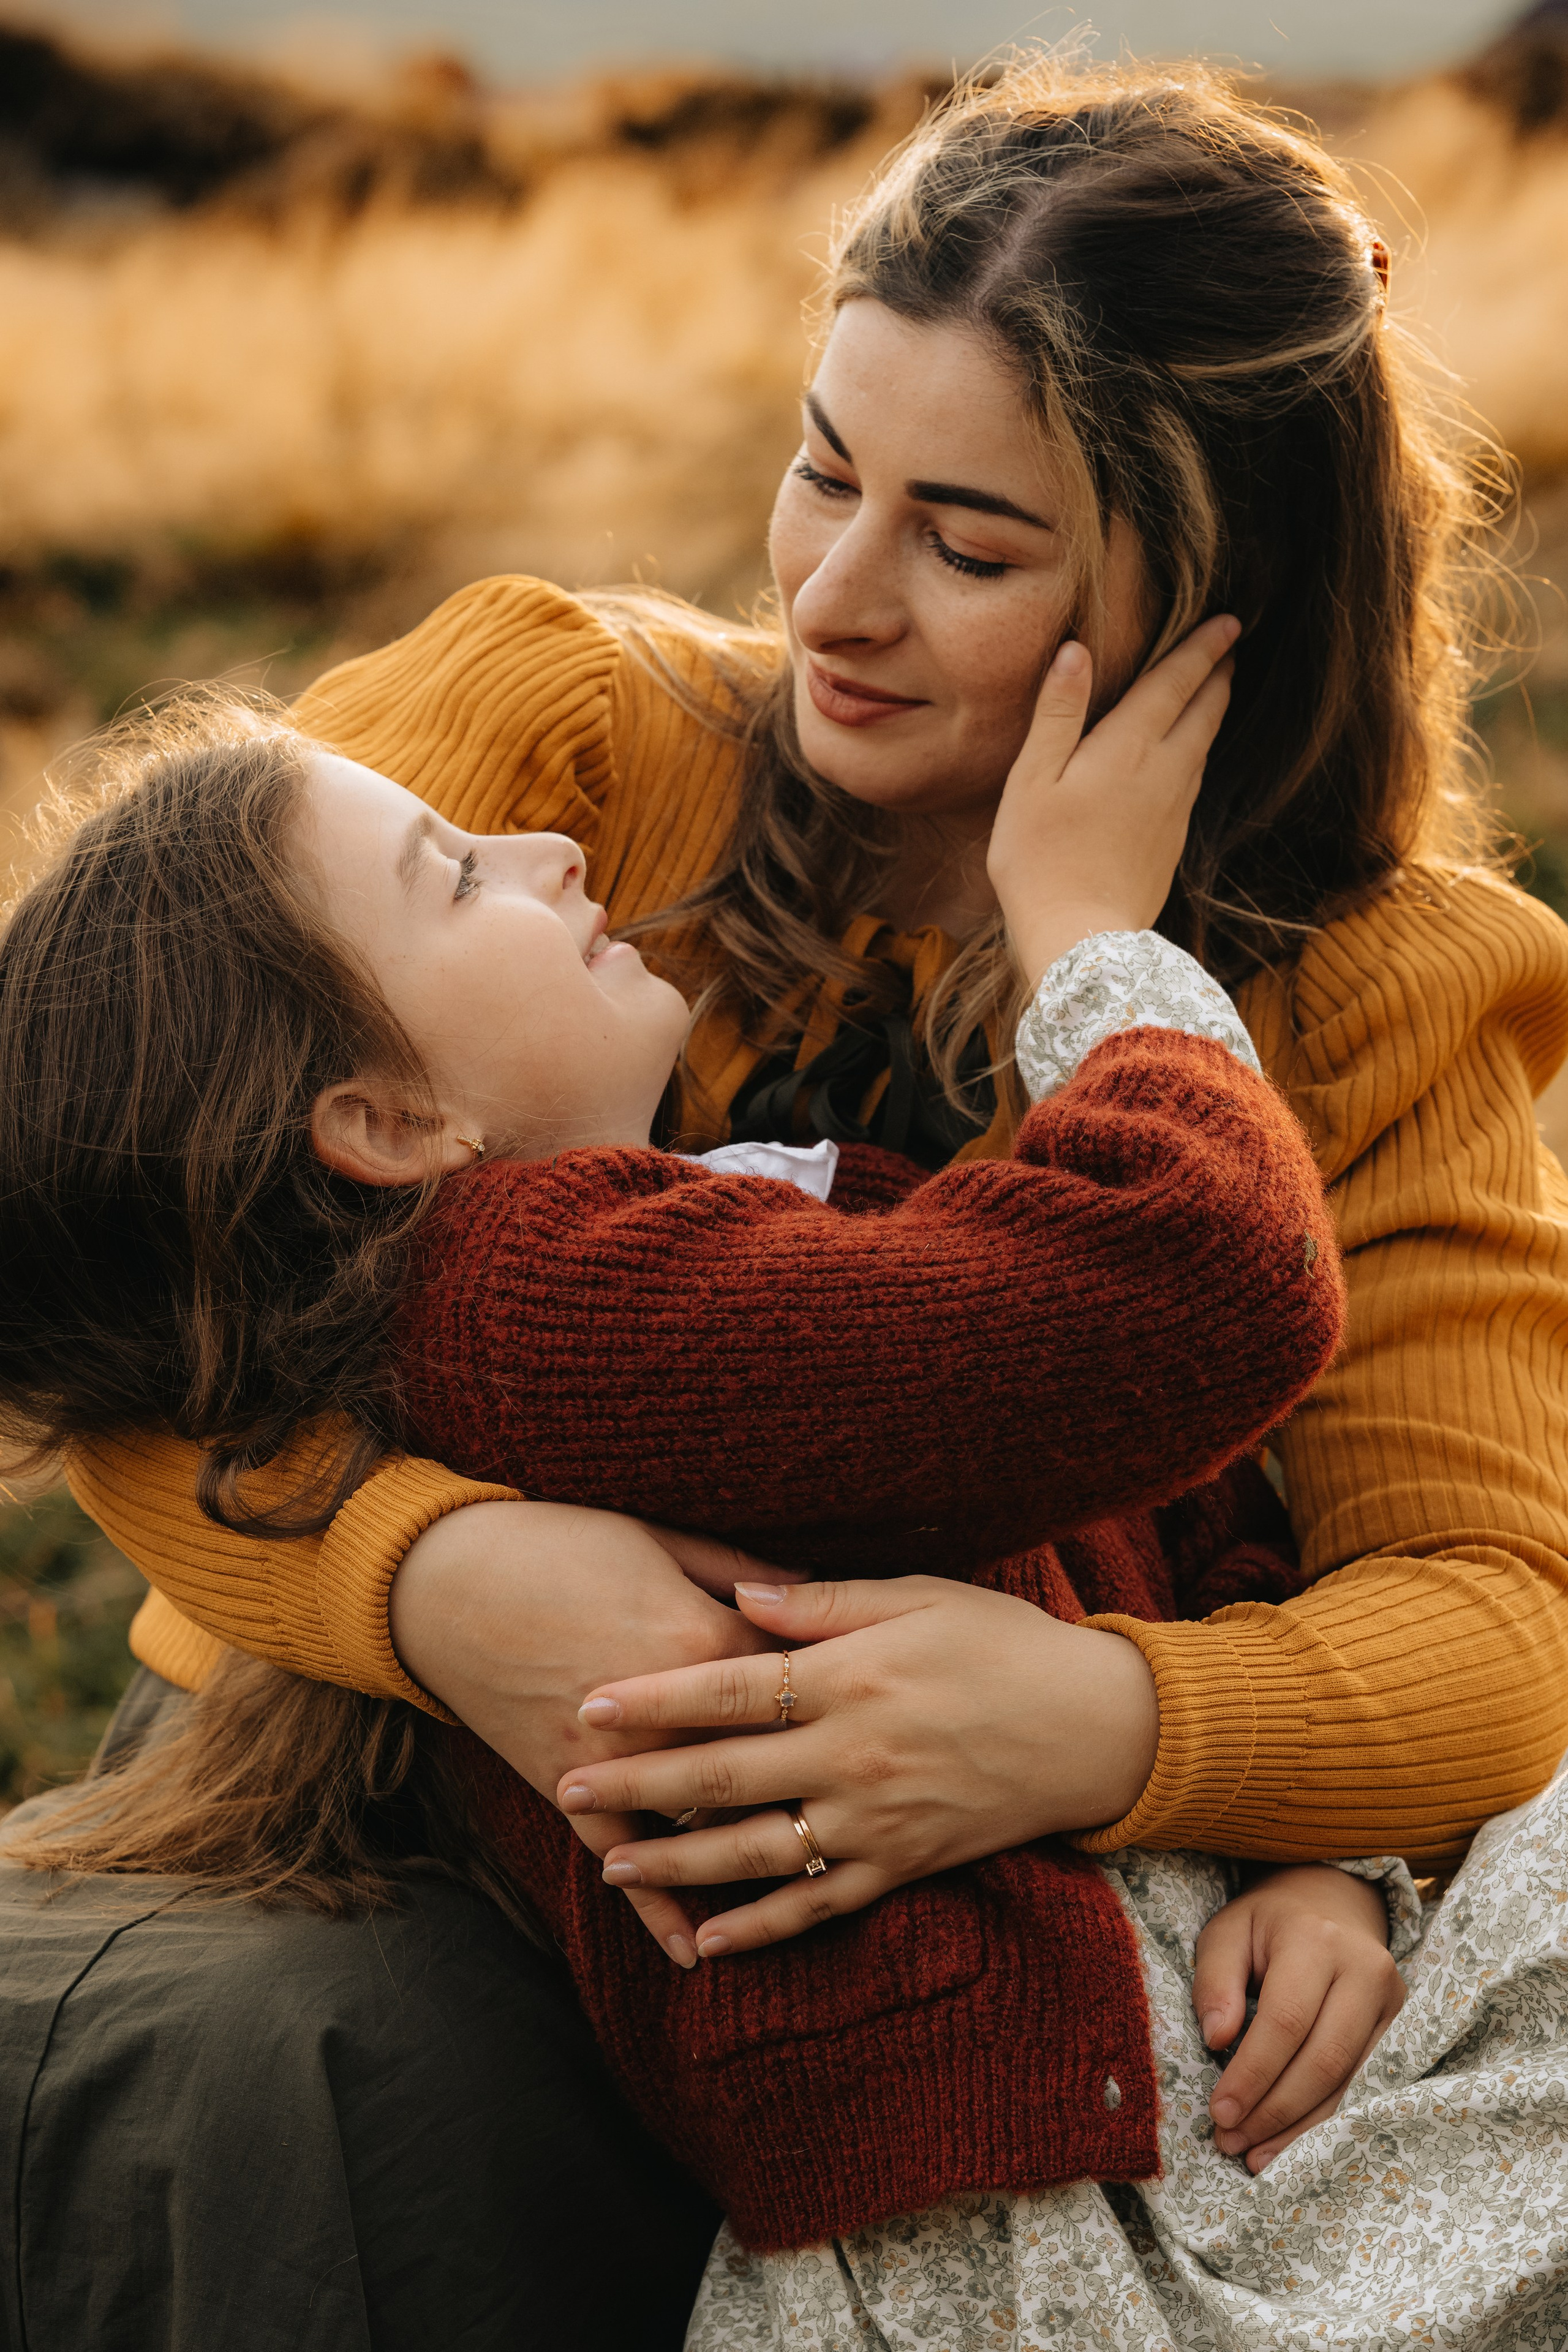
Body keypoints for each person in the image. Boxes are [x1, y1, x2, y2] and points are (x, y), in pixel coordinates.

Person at [20, 48, 1568, 2344]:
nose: (838, 595)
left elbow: (1479, 1610)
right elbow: (104, 1234)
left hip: (1029, 1870)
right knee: (317, 2085)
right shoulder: (562, 745)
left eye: (969, 544)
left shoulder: (1382, 992)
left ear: (1214, 599)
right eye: (824, 469)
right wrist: (443, 1579)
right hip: (410, 1777)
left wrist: (1127, 1740)